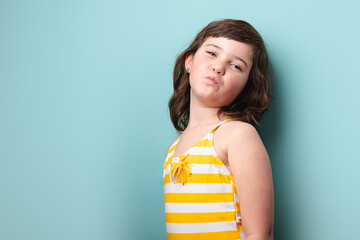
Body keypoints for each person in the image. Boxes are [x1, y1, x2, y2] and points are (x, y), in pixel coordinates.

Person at [163, 19, 274, 240]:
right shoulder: (173, 150)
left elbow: (260, 234)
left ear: (246, 87)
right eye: (212, 53)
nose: (219, 67)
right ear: (189, 61)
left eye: (236, 66)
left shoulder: (238, 135)